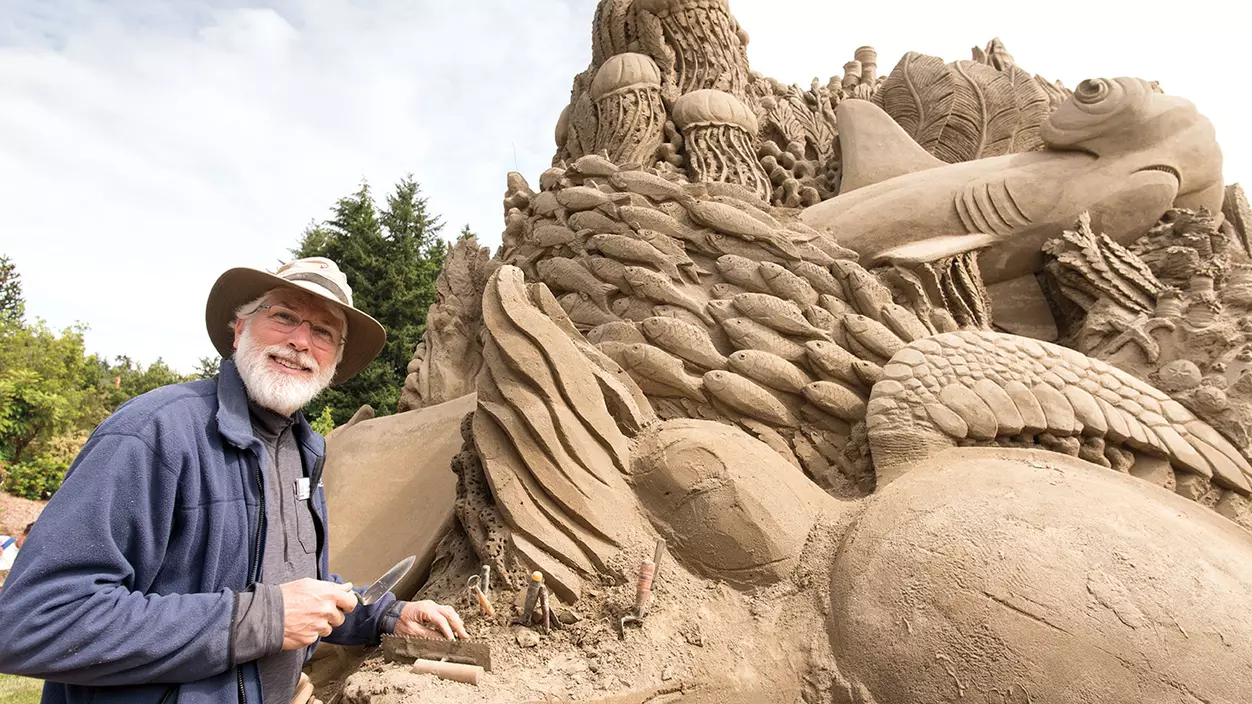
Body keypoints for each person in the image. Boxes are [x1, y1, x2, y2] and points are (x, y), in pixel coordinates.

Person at [0, 257, 468, 704]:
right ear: (239, 328)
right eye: (284, 316)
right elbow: (33, 621)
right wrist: (263, 619)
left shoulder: (305, 452)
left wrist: (384, 614)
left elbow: (295, 588)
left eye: (323, 331)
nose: (302, 342)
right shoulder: (154, 434)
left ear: (336, 361)